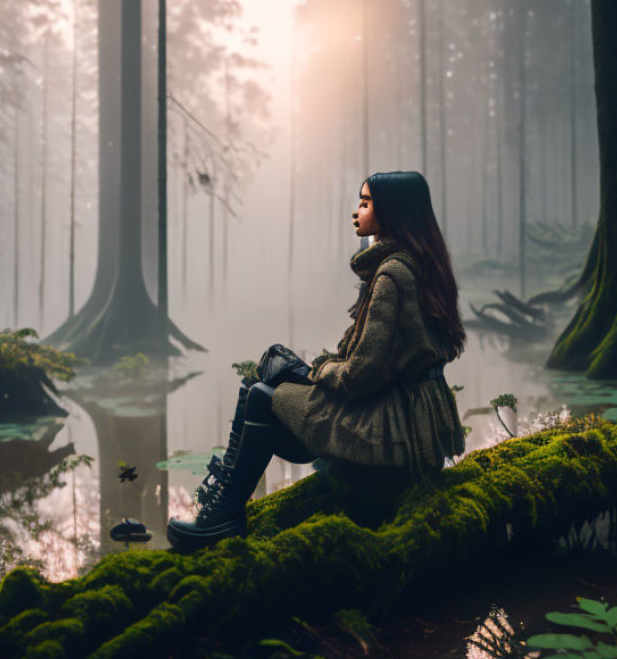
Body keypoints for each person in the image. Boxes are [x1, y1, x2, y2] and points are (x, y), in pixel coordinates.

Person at [166, 171, 467, 551]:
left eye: (365, 202)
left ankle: (224, 514)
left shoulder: (392, 276)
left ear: (391, 211)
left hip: (393, 433)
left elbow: (361, 374)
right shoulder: (420, 265)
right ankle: (224, 502)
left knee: (261, 393)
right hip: (409, 419)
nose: (357, 211)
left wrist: (320, 370)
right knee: (268, 372)